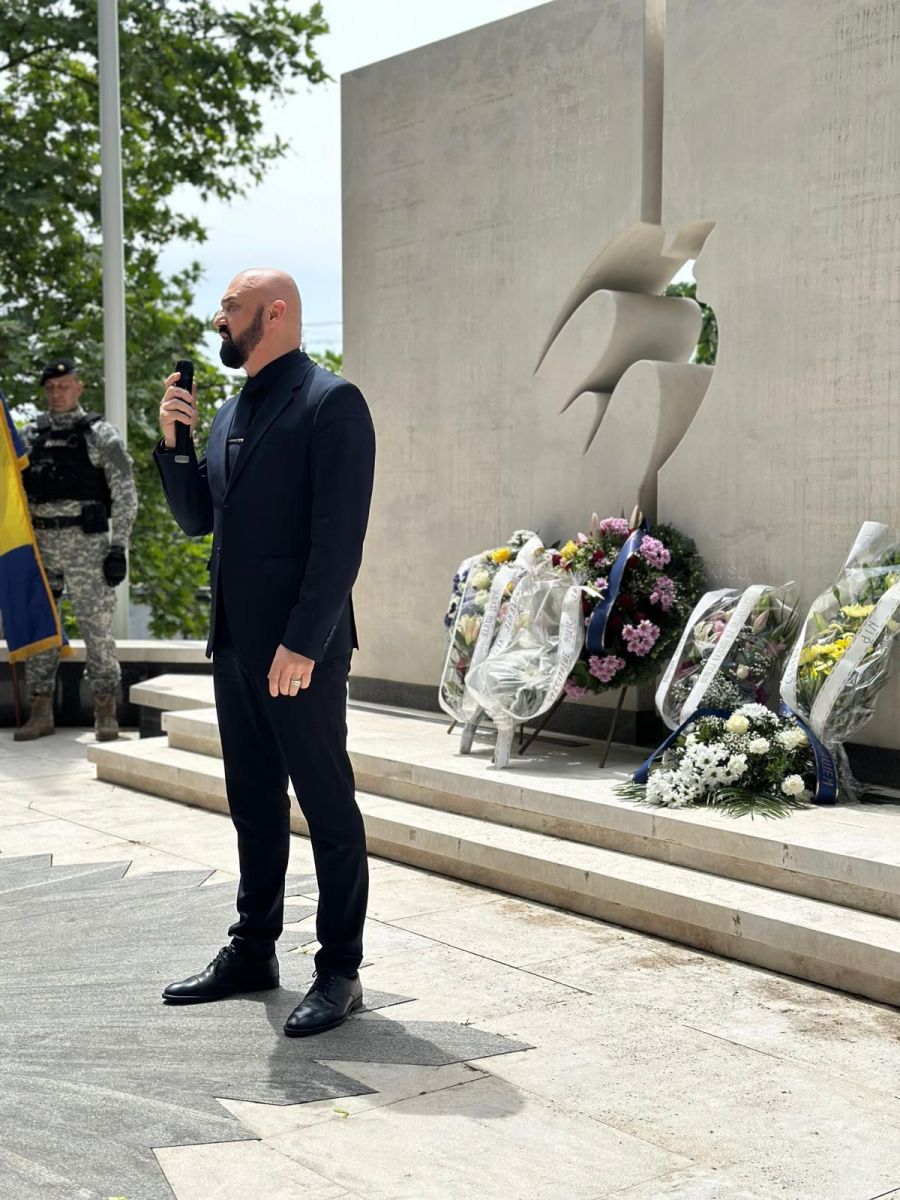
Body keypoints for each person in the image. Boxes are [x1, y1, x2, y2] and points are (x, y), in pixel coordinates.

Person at [154, 268, 376, 1038]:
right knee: (253, 803)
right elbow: (196, 520)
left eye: (232, 308)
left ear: (273, 313)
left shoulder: (331, 402)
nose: (219, 319)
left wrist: (303, 643)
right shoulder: (227, 411)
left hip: (299, 653)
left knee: (327, 806)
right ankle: (254, 950)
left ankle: (340, 970)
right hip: (235, 645)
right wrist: (175, 443)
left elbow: (339, 540)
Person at [14, 358, 138, 743]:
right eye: (51, 387)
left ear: (79, 387)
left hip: (88, 547)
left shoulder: (101, 435)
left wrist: (118, 547)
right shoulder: (28, 437)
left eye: (64, 385)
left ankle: (105, 709)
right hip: (40, 550)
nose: (57, 393)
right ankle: (40, 710)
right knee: (41, 629)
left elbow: (125, 494)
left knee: (96, 630)